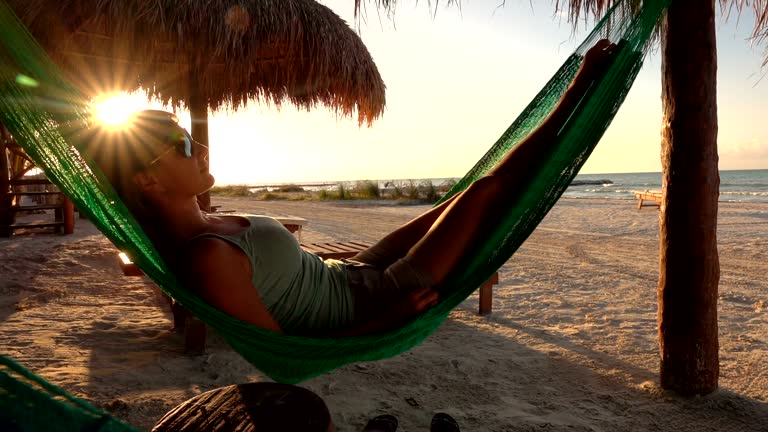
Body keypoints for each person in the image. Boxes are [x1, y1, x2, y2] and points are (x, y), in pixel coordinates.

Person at [80, 40, 617, 337]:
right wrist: (386, 321)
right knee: (485, 194)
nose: (200, 147)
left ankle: (573, 97)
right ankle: (576, 96)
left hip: (357, 269)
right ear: (147, 179)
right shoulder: (206, 259)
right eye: (182, 146)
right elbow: (282, 348)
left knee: (463, 194)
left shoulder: (208, 229)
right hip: (372, 299)